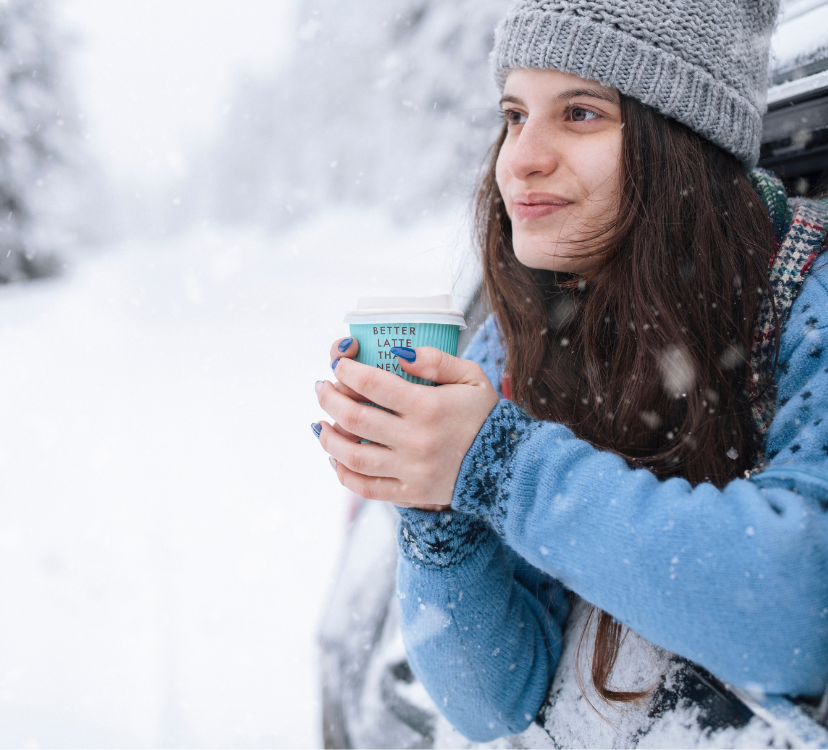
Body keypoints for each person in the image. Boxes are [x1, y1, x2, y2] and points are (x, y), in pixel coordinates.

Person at [312, 0, 828, 744]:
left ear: (684, 142)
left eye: (581, 113)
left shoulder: (807, 308)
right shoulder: (522, 339)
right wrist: (436, 514)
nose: (520, 157)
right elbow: (494, 701)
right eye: (515, 113)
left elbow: (798, 611)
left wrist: (497, 464)